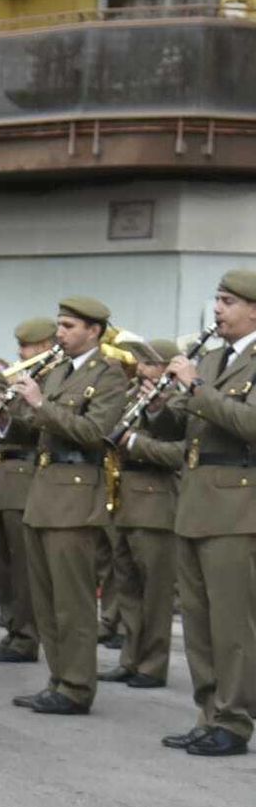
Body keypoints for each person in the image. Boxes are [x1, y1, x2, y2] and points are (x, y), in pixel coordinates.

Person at [150, 269, 256, 757]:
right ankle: (208, 710)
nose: (217, 309)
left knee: (232, 621)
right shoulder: (212, 358)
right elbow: (183, 426)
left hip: (237, 503)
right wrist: (160, 401)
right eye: (216, 299)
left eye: (228, 301)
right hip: (195, 499)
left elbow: (247, 423)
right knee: (197, 618)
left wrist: (197, 391)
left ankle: (234, 720)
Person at [9, 296, 128, 716]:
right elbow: (35, 427)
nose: (59, 334)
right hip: (44, 491)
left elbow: (95, 433)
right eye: (59, 325)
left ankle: (77, 685)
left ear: (94, 330)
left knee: (72, 600)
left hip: (76, 492)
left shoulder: (110, 376)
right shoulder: (60, 369)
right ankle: (58, 679)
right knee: (46, 597)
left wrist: (42, 404)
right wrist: (14, 405)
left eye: (68, 326)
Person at [99, 338, 182, 690]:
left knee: (155, 591)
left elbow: (180, 452)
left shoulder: (178, 402)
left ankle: (152, 664)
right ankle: (130, 657)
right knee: (127, 587)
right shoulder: (135, 394)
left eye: (149, 363)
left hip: (157, 501)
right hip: (125, 500)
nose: (142, 368)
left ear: (166, 367)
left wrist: (134, 443)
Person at [0, 317, 57, 664]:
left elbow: (34, 427)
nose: (21, 353)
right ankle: (13, 629)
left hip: (25, 475)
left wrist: (10, 413)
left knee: (23, 566)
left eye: (26, 347)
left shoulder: (48, 380)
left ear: (43, 347)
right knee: (5, 564)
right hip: (5, 478)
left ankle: (26, 636)